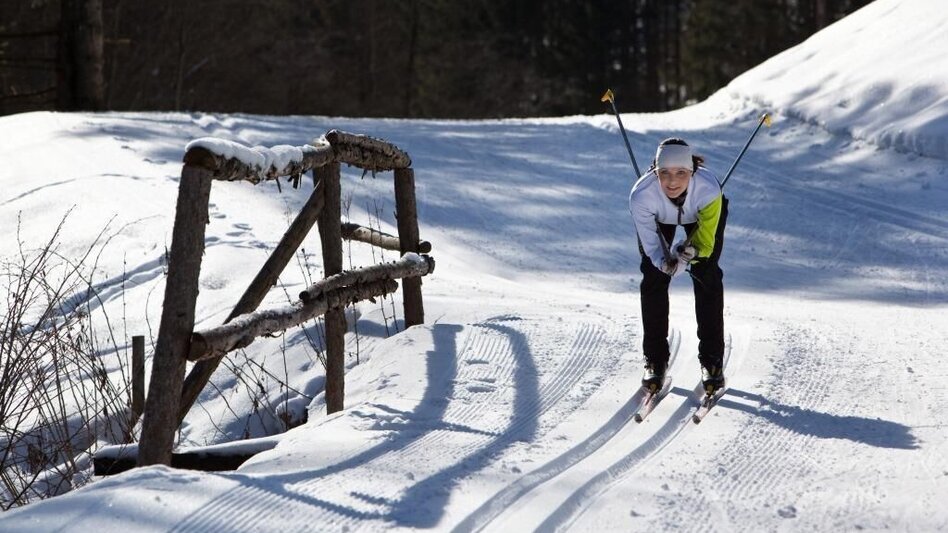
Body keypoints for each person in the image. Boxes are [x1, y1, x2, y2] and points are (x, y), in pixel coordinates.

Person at [628, 137, 728, 395]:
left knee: (706, 275)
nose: (672, 182)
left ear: (692, 172)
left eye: (681, 173)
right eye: (665, 174)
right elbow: (652, 248)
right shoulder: (642, 196)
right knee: (653, 278)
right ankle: (655, 359)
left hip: (701, 215)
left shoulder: (708, 190)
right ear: (655, 172)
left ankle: (712, 362)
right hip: (659, 218)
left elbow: (704, 245)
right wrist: (665, 263)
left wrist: (686, 257)